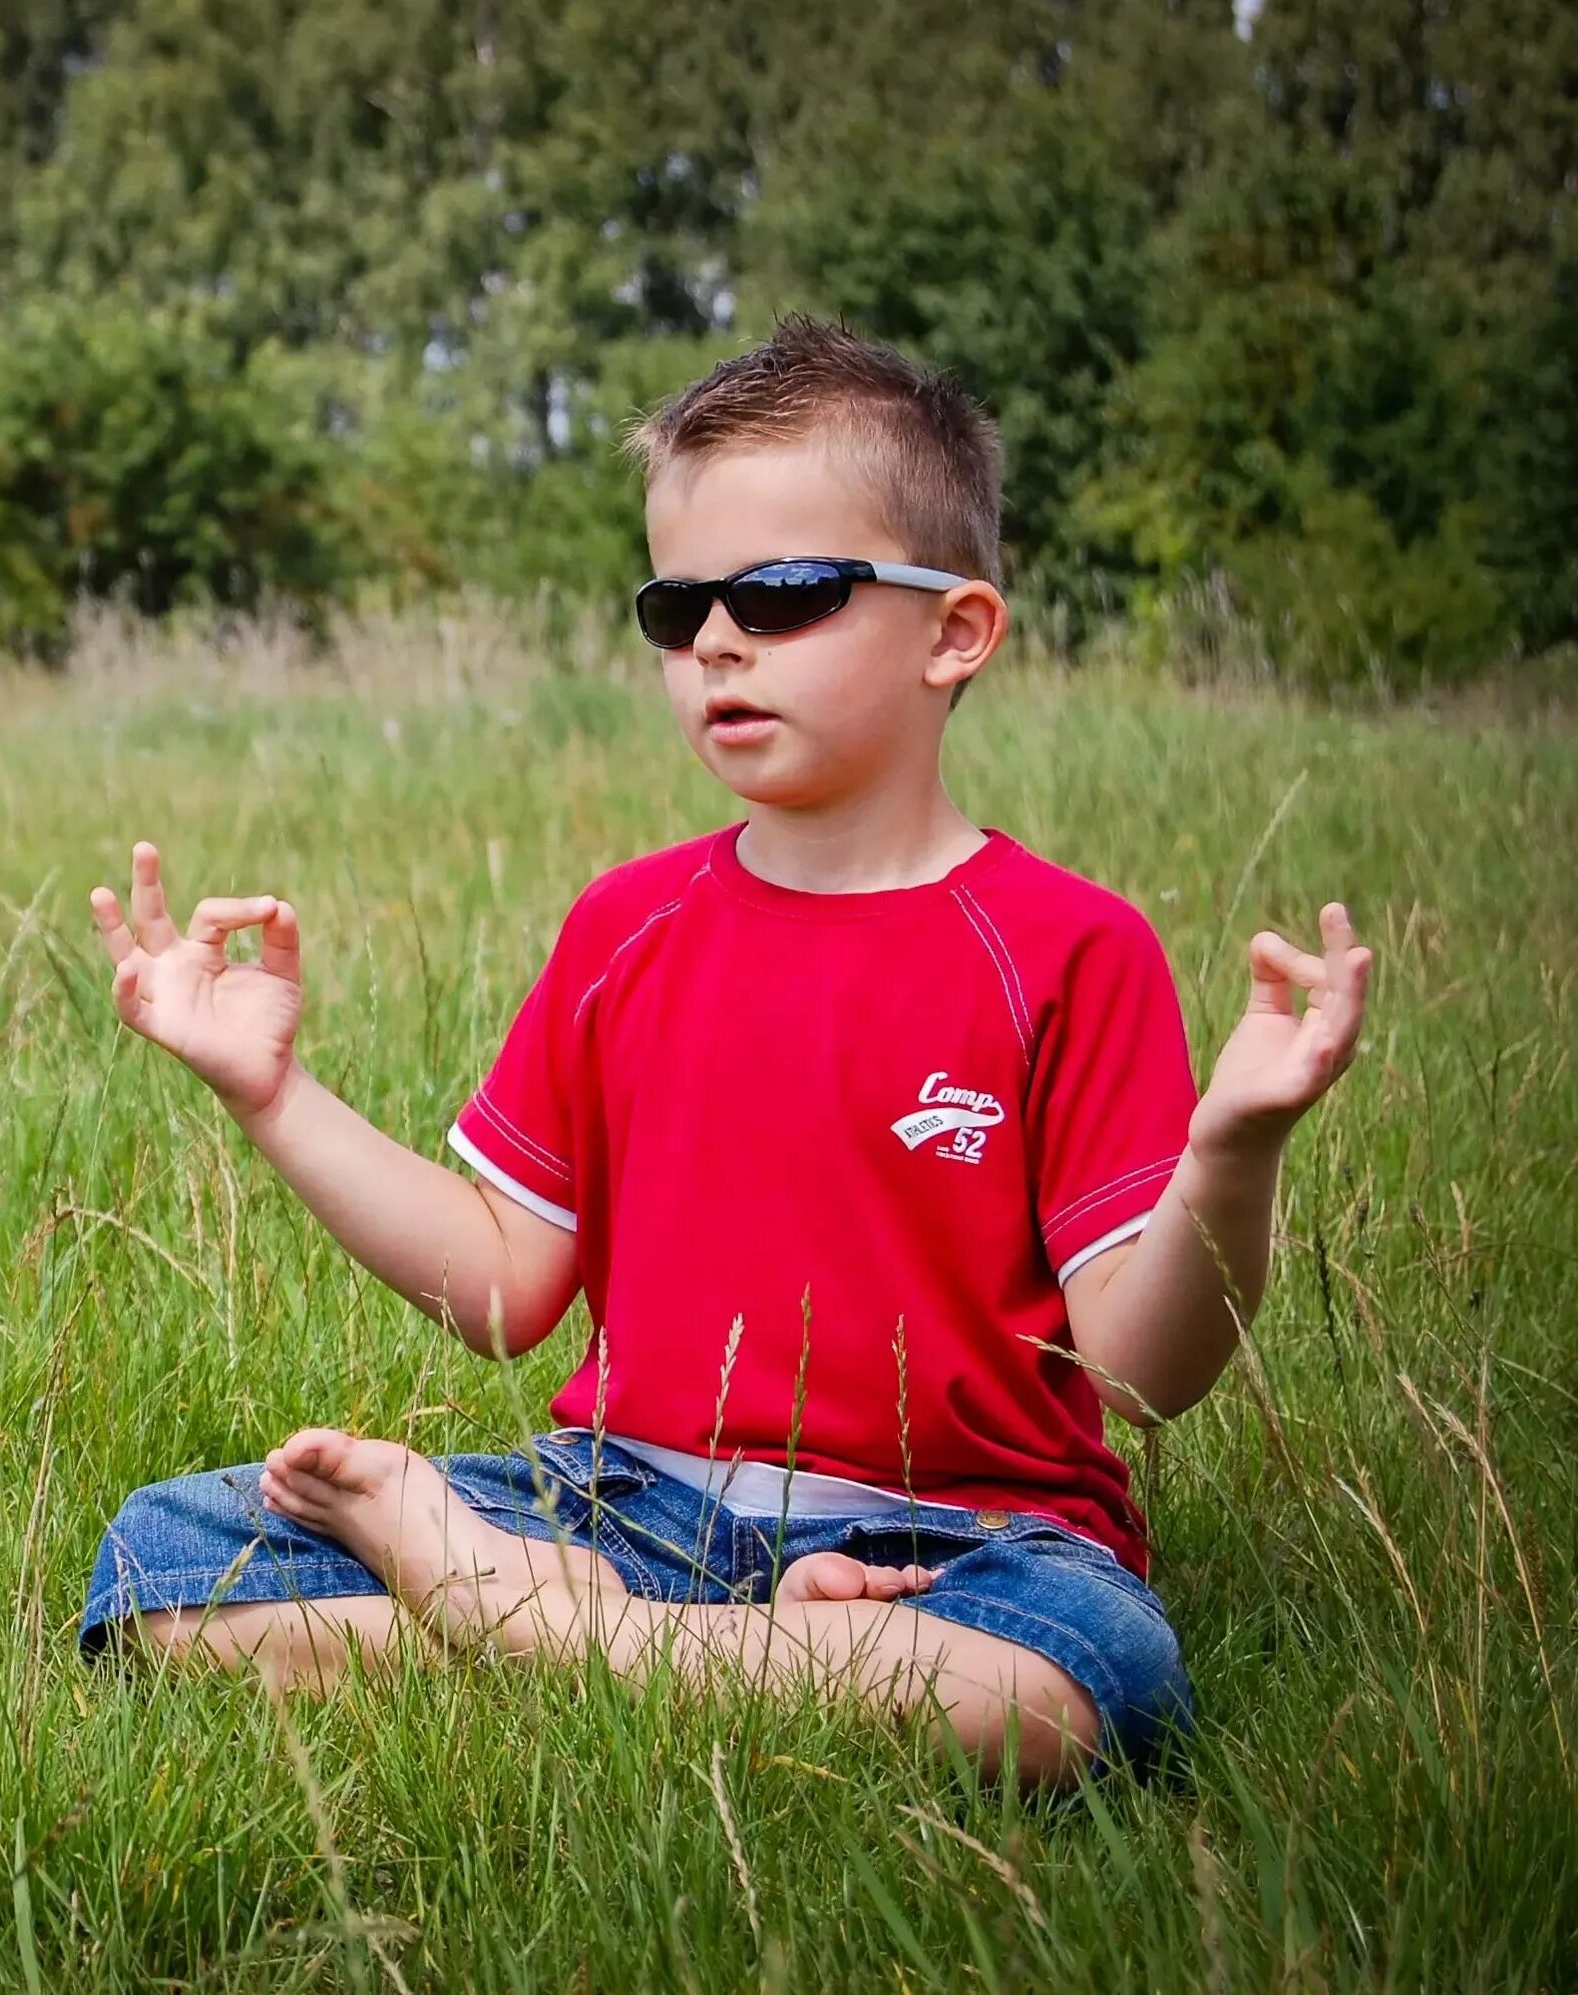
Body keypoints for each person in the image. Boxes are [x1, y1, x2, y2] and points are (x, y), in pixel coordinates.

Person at [75, 316, 1374, 1781]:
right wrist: (273, 1093)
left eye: (787, 591)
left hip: (964, 1544)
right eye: (678, 603)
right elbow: (508, 1287)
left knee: (1076, 1692)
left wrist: (1235, 1150)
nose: (715, 641)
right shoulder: (627, 929)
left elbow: (1139, 1375)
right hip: (625, 1503)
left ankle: (528, 1629)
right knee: (167, 1563)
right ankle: (668, 1646)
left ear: (957, 631)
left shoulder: (1067, 949)